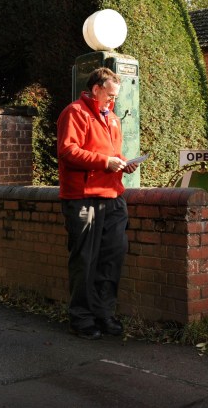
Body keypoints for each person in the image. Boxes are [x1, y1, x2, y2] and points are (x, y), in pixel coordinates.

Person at [57, 67, 138, 340]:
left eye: (115, 97)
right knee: (85, 259)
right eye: (109, 96)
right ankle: (81, 317)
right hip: (83, 197)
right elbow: (68, 151)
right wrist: (105, 162)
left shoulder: (112, 118)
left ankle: (104, 314)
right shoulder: (75, 113)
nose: (112, 101)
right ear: (96, 89)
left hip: (113, 196)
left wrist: (121, 163)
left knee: (112, 257)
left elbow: (111, 154)